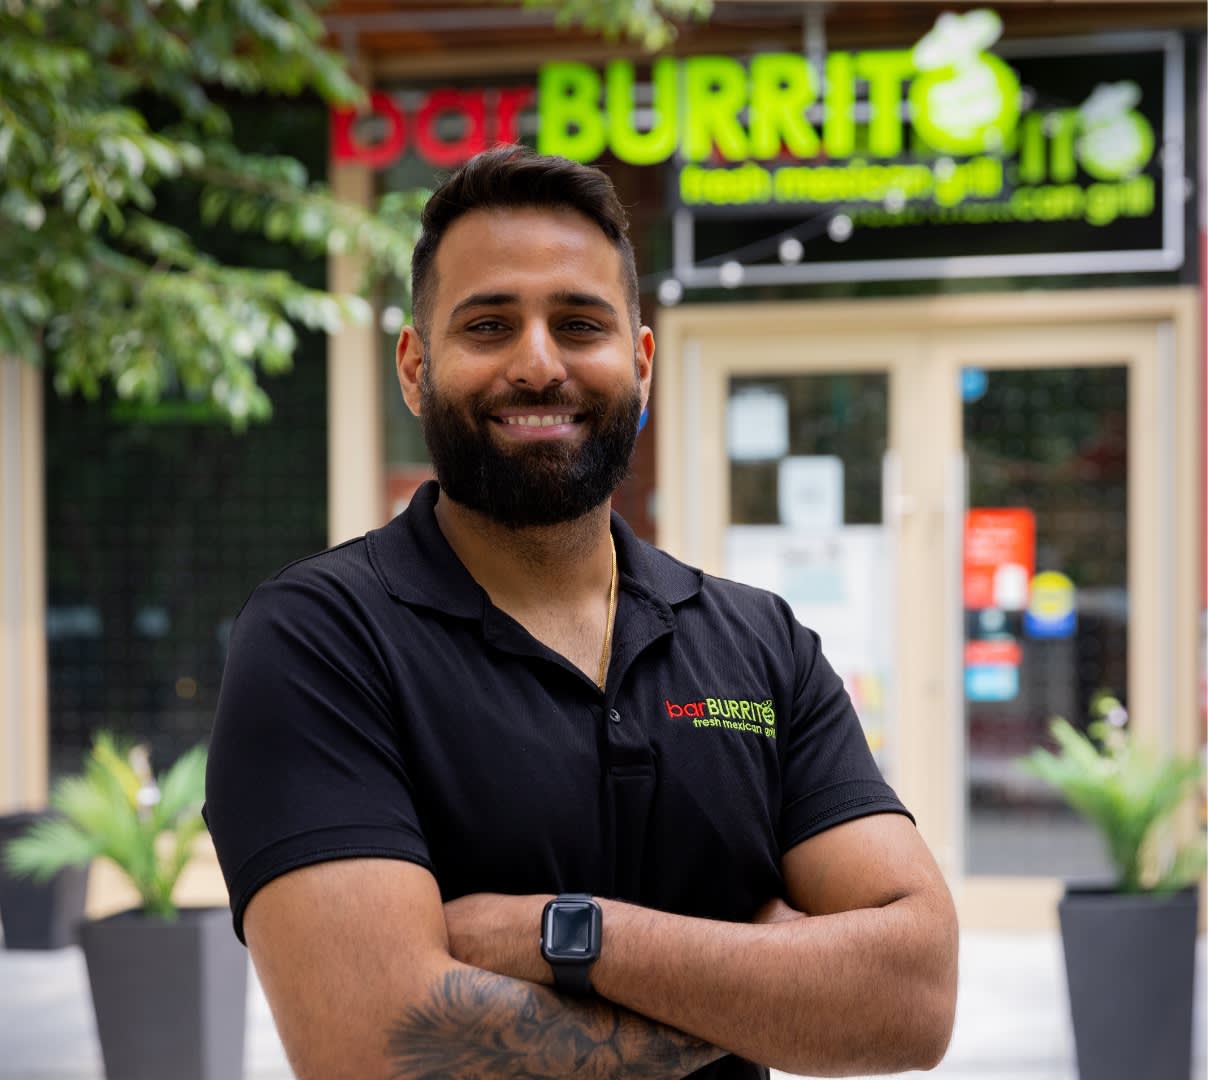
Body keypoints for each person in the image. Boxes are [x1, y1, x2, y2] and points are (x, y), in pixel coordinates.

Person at [205, 145, 958, 1080]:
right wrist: (771, 986)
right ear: (414, 365)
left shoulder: (758, 642)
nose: (537, 363)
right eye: (487, 325)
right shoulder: (320, 638)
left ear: (639, 363)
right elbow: (371, 1041)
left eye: (579, 323)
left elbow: (915, 998)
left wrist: (563, 936)